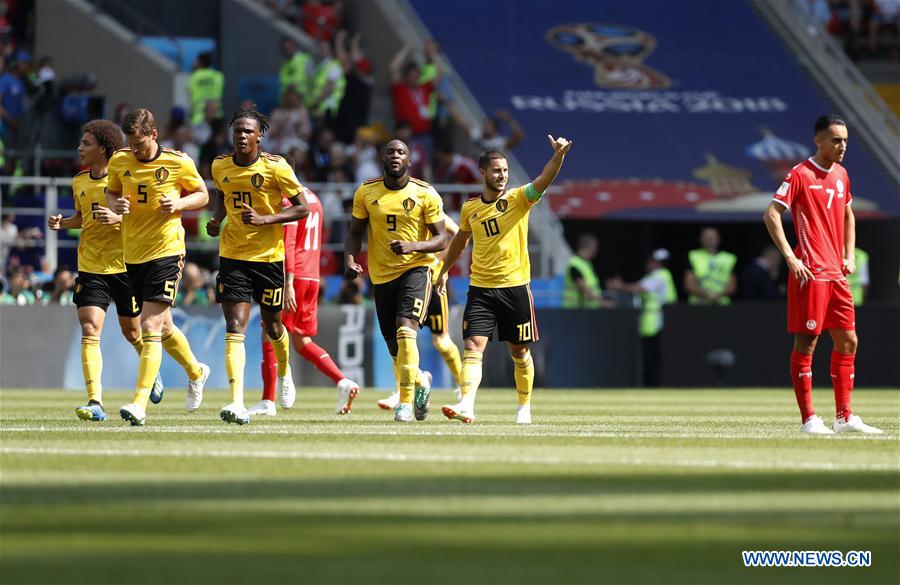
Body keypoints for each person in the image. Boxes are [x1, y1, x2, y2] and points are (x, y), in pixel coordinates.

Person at [436, 136, 573, 424]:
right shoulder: (470, 208)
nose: (502, 176)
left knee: (519, 350)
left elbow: (543, 179)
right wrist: (444, 269)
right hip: (480, 289)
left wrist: (558, 156)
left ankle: (524, 407)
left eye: (506, 171)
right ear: (483, 173)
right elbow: (460, 241)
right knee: (473, 346)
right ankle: (467, 405)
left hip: (515, 288)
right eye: (497, 171)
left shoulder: (518, 199)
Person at [763, 114, 881, 435]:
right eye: (836, 140)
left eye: (844, 140)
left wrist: (848, 253)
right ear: (819, 141)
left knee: (848, 341)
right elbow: (771, 214)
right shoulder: (800, 174)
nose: (842, 146)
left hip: (836, 273)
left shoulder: (842, 174)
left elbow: (848, 215)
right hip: (811, 270)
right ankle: (809, 419)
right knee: (809, 341)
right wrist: (790, 256)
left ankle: (844, 417)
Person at [47, 120, 164, 421]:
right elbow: (81, 217)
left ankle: (152, 370)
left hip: (126, 265)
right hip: (91, 266)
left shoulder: (125, 177)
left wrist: (117, 218)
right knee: (89, 328)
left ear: (103, 148)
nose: (79, 148)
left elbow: (140, 219)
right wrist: (65, 222)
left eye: (86, 143)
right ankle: (95, 401)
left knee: (132, 331)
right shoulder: (79, 181)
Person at [205, 106, 310, 425]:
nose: (240, 136)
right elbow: (223, 194)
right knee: (235, 326)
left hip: (268, 259)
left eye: (247, 131)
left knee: (274, 326)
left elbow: (302, 208)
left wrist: (267, 219)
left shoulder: (276, 168)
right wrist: (218, 220)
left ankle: (285, 372)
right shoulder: (219, 165)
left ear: (259, 136)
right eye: (237, 131)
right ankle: (236, 401)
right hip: (233, 256)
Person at [107, 108, 211, 427]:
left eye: (139, 144)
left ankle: (139, 403)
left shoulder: (177, 162)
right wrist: (116, 205)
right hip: (133, 253)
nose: (134, 150)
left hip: (167, 251)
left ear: (153, 135)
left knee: (149, 326)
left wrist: (179, 204)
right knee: (163, 327)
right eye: (130, 144)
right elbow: (111, 192)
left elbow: (202, 195)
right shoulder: (120, 161)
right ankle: (196, 371)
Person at [344, 139, 448, 422]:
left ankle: (404, 404)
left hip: (417, 269)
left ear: (409, 161)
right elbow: (355, 233)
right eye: (390, 151)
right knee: (395, 348)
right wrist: (350, 260)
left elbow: (442, 238)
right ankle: (419, 381)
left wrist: (414, 246)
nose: (395, 156)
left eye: (401, 152)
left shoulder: (425, 193)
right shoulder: (366, 192)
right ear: (382, 158)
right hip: (382, 277)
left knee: (406, 331)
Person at [254, 173, 361, 417]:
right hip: (312, 275)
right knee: (302, 342)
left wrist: (288, 281)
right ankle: (343, 382)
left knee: (270, 332)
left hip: (293, 275)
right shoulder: (314, 198)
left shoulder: (290, 200)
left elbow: (290, 243)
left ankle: (267, 401)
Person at [378, 214, 463, 410]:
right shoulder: (402, 209)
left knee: (441, 340)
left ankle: (462, 385)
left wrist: (441, 258)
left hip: (433, 283)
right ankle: (401, 389)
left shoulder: (431, 208)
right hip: (407, 280)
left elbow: (458, 234)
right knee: (400, 339)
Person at [606, 249, 677, 387]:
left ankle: (655, 386)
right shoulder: (652, 276)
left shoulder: (661, 275)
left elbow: (639, 288)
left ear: (658, 263)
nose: (648, 263)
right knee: (648, 358)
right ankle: (650, 385)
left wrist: (619, 286)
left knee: (653, 359)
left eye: (652, 260)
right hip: (650, 323)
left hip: (657, 323)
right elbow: (638, 286)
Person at [684, 227, 737, 305]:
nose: (710, 239)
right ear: (700, 239)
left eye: (712, 237)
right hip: (698, 304)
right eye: (707, 237)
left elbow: (732, 286)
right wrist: (707, 295)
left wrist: (717, 296)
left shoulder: (729, 258)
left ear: (719, 239)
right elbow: (688, 284)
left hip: (722, 304)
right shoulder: (693, 256)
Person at [562, 233, 610, 309]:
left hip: (588, 309)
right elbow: (584, 288)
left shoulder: (587, 264)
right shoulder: (574, 264)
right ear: (590, 247)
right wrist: (603, 302)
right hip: (576, 310)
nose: (596, 251)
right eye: (595, 248)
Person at [187, 52, 224, 127]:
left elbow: (190, 93)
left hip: (198, 117)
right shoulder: (218, 76)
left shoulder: (194, 77)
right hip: (217, 116)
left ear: (200, 62)